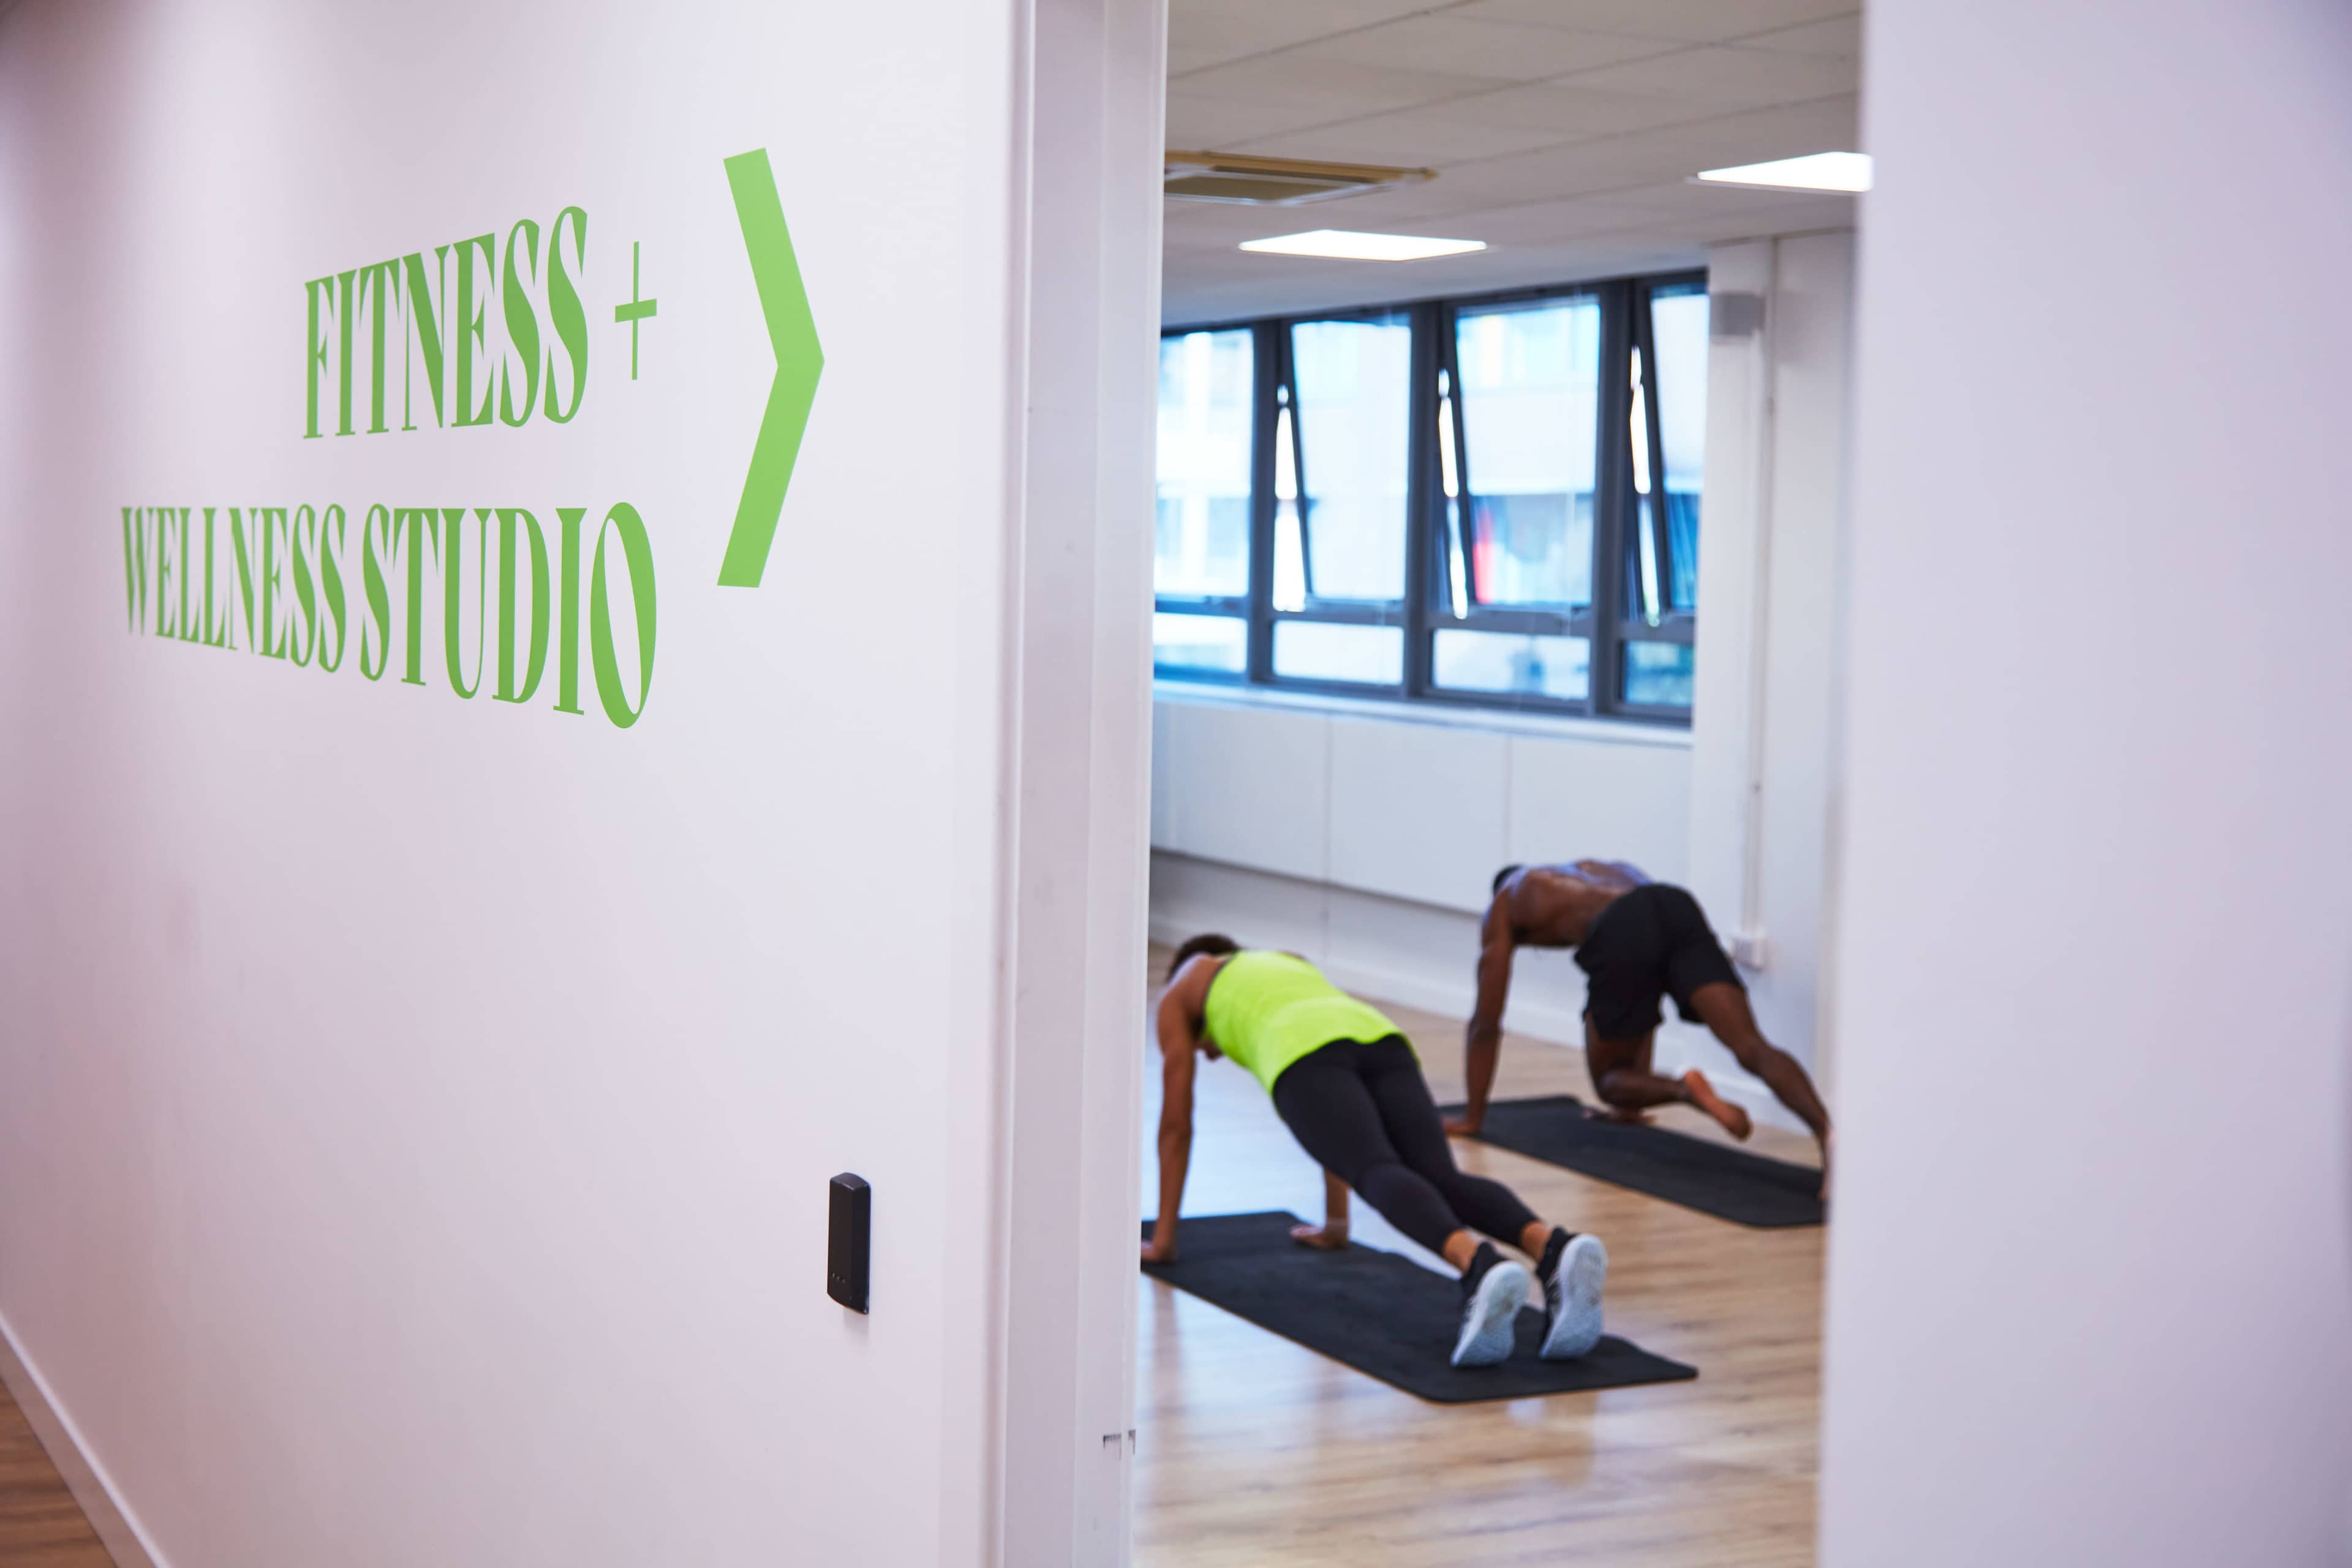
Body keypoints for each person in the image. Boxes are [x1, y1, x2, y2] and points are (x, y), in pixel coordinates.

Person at [1144, 933, 1608, 1370]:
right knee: (1439, 1175)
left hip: (1301, 1056)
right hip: (1380, 1038)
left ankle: (1478, 1265)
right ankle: (1552, 1247)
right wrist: (1336, 1224)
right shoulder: (1286, 962)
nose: (1210, 1055)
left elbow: (1175, 1127)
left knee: (1374, 1167)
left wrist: (1164, 1243)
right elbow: (1337, 1132)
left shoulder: (1183, 987)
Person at [1450, 861, 1833, 1181]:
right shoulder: (1604, 871)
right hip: (1674, 904)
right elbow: (1641, 1002)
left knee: (1608, 1080)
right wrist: (1633, 1107)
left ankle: (1685, 1089)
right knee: (1751, 1046)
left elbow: (1487, 1021)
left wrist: (1473, 1116)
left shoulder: (1504, 902)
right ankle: (1827, 1133)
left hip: (1623, 927)